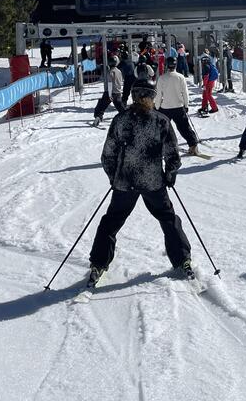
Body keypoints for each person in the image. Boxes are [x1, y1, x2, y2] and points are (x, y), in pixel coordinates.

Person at [86, 81, 194, 286]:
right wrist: (170, 175)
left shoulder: (120, 120)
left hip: (125, 183)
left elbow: (108, 155)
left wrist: (114, 176)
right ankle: (182, 259)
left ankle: (98, 263)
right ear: (152, 97)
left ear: (133, 97)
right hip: (153, 182)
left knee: (111, 222)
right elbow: (172, 156)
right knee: (168, 218)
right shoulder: (160, 121)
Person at [156, 55, 201, 156]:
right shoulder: (180, 77)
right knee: (184, 127)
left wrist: (157, 106)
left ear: (167, 66)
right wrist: (186, 104)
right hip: (178, 106)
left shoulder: (162, 78)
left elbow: (159, 94)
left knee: (162, 128)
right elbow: (185, 92)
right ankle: (193, 145)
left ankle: (160, 147)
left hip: (165, 107)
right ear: (176, 65)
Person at [91, 55, 124, 127]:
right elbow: (120, 81)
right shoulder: (119, 71)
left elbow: (109, 83)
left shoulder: (110, 72)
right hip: (118, 92)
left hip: (110, 92)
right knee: (120, 108)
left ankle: (98, 118)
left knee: (101, 106)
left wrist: (109, 94)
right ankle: (126, 119)